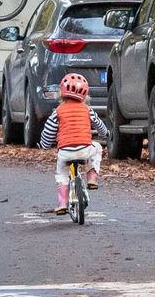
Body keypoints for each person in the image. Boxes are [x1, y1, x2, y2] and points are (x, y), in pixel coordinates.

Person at [37, 73, 108, 215]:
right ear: (85, 94)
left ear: (61, 93)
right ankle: (92, 177)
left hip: (65, 152)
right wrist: (106, 134)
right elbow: (99, 125)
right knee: (96, 149)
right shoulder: (88, 110)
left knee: (61, 175)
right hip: (85, 148)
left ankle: (62, 203)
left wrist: (44, 145)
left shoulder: (57, 112)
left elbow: (48, 131)